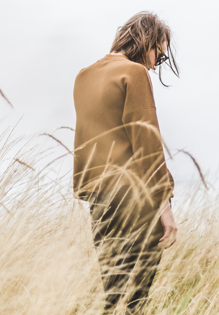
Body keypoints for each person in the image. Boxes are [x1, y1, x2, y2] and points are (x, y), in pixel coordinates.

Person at [72, 11, 179, 315]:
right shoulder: (133, 73)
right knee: (136, 299)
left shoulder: (83, 76)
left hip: (99, 199)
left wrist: (90, 191)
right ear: (147, 40)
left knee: (112, 293)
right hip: (136, 196)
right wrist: (164, 205)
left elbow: (85, 142)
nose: (155, 63)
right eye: (158, 54)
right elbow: (146, 141)